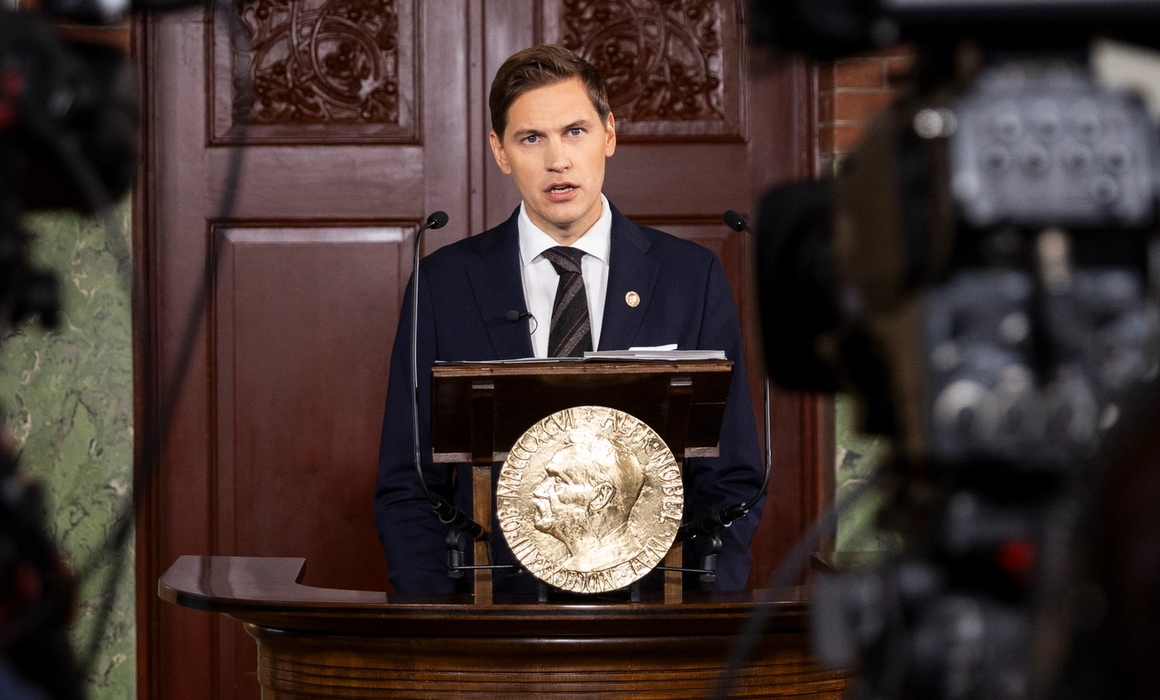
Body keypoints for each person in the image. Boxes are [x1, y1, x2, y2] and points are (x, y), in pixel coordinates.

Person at [374, 44, 764, 595]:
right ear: (500, 151)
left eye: (575, 131)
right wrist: (442, 624)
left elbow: (732, 475)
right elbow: (409, 483)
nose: (557, 159)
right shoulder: (444, 283)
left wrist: (697, 611)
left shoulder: (689, 276)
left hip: (655, 619)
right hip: (491, 620)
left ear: (609, 134)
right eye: (531, 138)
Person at [531, 432, 646, 572]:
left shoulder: (615, 560)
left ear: (601, 496)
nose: (538, 491)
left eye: (559, 481)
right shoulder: (575, 563)